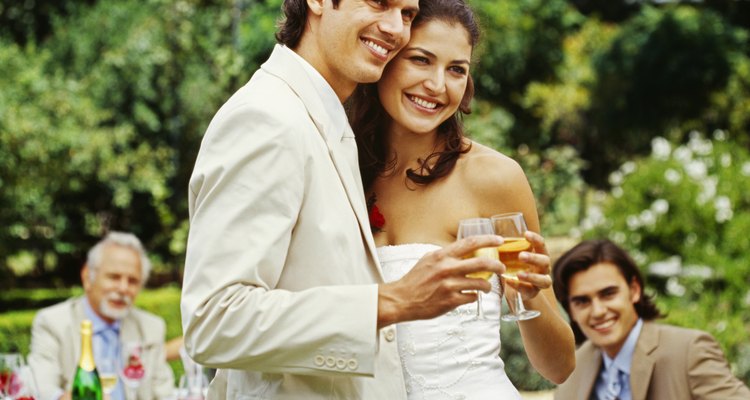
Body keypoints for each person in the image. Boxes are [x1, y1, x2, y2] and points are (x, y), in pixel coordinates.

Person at [181, 0, 507, 399]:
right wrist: (392, 301)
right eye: (380, 3)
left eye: (405, 13)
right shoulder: (267, 118)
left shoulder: (330, 123)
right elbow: (213, 321)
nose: (394, 28)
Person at [346, 0, 576, 397]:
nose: (438, 85)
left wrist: (529, 293)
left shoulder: (494, 177)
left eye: (456, 70)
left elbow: (559, 367)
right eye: (421, 60)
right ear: (384, 59)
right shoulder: (341, 168)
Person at [552, 239, 750, 400]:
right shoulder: (571, 368)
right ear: (570, 309)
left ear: (634, 290)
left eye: (608, 294)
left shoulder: (689, 350)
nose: (598, 311)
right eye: (582, 301)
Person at [28, 231, 175, 400]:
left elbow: (164, 394)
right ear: (87, 278)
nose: (123, 288)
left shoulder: (151, 327)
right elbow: (42, 390)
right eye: (114, 277)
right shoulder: (53, 323)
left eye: (133, 281)